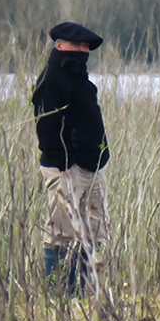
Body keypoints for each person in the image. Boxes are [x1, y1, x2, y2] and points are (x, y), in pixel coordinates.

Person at [32, 22, 110, 294]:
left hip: (92, 168)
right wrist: (64, 167)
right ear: (60, 45)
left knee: (92, 233)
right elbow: (47, 130)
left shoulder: (81, 79)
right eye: (77, 46)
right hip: (65, 169)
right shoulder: (51, 80)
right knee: (62, 235)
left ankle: (83, 294)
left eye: (86, 47)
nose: (83, 50)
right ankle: (60, 294)